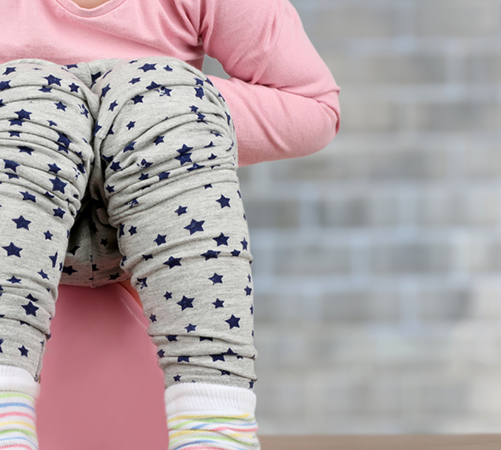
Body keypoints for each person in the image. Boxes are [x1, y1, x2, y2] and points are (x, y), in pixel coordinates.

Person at [0, 0, 341, 448]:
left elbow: (314, 106)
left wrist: (163, 101)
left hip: (153, 208)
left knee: (162, 94)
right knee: (29, 97)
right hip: (18, 192)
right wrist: (56, 104)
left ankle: (214, 425)